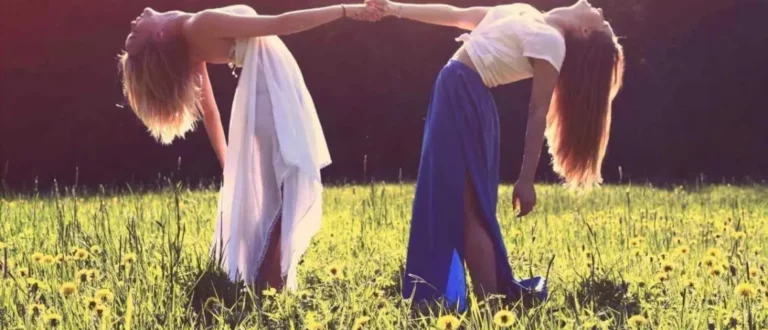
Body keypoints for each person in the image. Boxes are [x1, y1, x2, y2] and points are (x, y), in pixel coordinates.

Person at [365, 0, 625, 310]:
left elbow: (537, 112)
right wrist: (394, 8)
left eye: (600, 19)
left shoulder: (551, 43)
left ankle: (490, 305)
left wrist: (526, 180)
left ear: (584, 31)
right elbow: (457, 15)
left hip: (465, 95)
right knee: (463, 204)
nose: (597, 9)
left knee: (467, 208)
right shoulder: (528, 14)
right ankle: (489, 303)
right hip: (456, 90)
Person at [118, 4, 382, 291]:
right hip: (274, 102)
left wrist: (228, 166)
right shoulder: (200, 25)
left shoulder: (190, 36)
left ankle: (266, 280)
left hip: (270, 100)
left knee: (280, 194)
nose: (135, 19)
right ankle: (270, 282)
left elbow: (211, 112)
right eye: (135, 32)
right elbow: (283, 22)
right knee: (286, 192)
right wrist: (344, 9)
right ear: (158, 35)